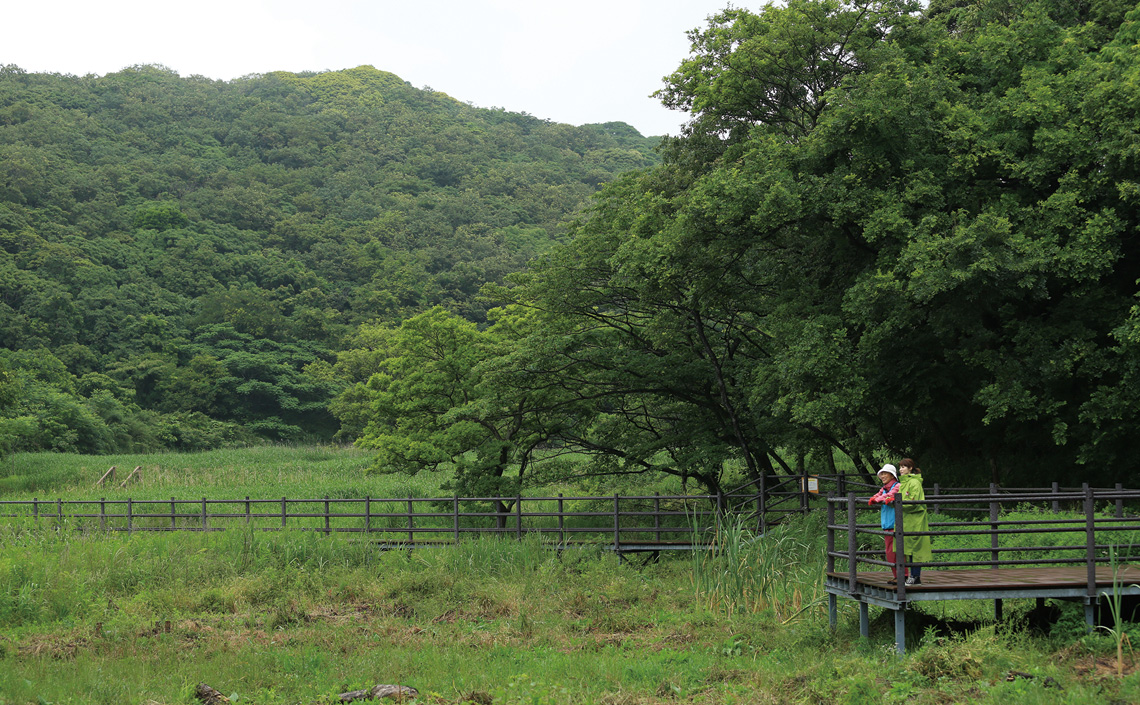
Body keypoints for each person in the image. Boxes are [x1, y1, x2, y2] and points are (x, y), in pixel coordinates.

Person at [898, 458, 932, 586]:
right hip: (907, 519)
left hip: (915, 519)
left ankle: (915, 576)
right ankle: (910, 576)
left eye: (904, 467)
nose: (901, 469)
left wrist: (897, 504)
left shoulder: (914, 482)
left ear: (910, 468)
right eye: (900, 467)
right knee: (907, 548)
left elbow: (913, 501)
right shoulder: (904, 483)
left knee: (915, 549)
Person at [868, 464, 902, 583]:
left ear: (892, 475)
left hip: (896, 524)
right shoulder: (884, 488)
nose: (882, 476)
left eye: (885, 473)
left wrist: (876, 500)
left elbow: (890, 495)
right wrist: (873, 498)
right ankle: (897, 576)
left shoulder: (897, 486)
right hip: (887, 523)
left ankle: (902, 576)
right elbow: (879, 494)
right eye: (881, 474)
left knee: (897, 551)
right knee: (890, 552)